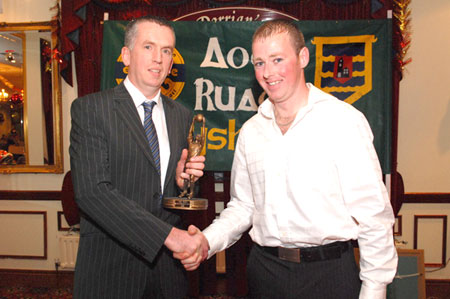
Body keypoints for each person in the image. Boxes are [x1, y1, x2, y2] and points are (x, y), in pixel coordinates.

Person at [179, 20, 398, 299]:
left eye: (277, 59)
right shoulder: (251, 132)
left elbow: (374, 216)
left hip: (329, 275)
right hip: (265, 273)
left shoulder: (343, 122)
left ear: (303, 57)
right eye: (259, 63)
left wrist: (375, 289)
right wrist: (206, 240)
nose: (268, 73)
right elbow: (244, 206)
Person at [69, 15, 207, 298]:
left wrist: (183, 184)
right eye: (148, 47)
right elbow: (92, 193)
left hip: (169, 276)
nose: (158, 58)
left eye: (167, 51)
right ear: (126, 55)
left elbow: (172, 197)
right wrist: (170, 238)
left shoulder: (182, 116)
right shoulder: (91, 109)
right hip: (111, 270)